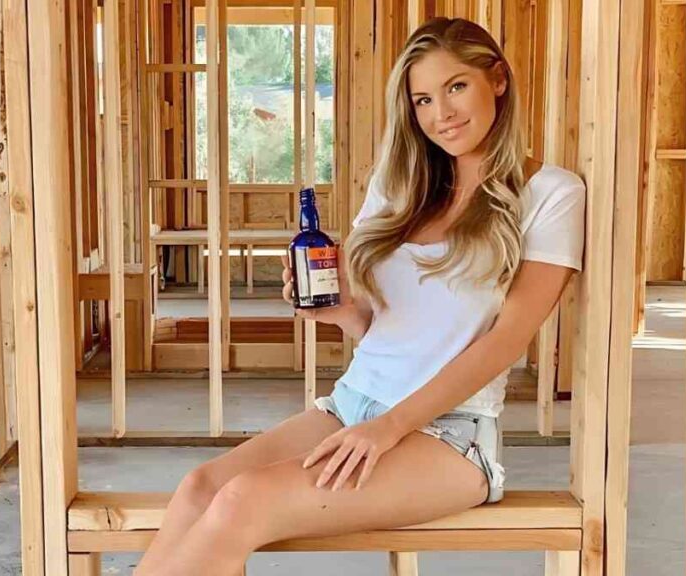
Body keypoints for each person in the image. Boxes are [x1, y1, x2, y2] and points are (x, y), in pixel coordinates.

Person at [134, 17, 585, 576]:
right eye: (422, 99)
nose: (440, 113)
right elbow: (383, 331)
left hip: (450, 434)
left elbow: (505, 342)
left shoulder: (551, 194)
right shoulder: (399, 188)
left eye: (456, 87)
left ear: (497, 79)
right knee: (202, 486)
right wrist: (341, 309)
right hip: (354, 405)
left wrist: (388, 428)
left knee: (242, 501)